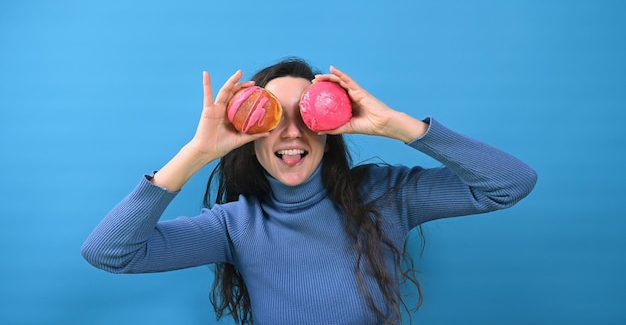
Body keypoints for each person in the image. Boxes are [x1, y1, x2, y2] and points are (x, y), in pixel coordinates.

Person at [81, 57, 537, 325]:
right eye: (274, 117)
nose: (292, 134)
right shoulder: (234, 225)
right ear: (249, 132)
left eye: (309, 115)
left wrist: (397, 125)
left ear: (332, 127)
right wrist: (198, 153)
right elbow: (109, 253)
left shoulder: (387, 194)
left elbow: (510, 184)